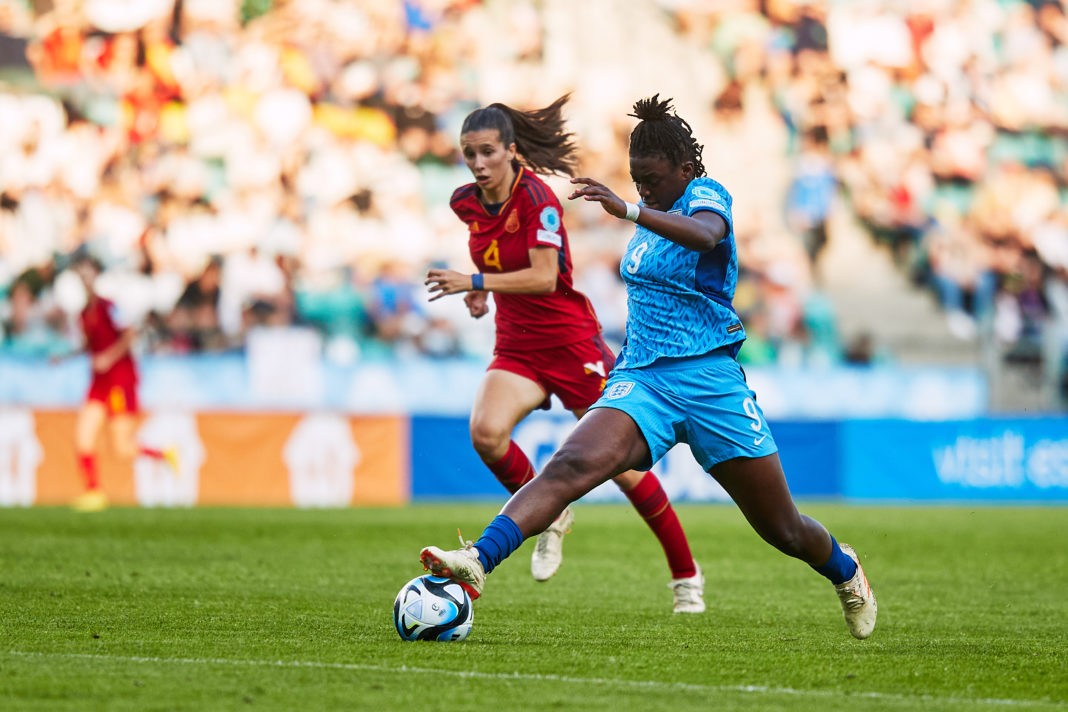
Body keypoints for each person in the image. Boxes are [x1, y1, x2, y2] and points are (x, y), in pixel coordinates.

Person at [420, 95, 877, 639]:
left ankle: (845, 570)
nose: (644, 190)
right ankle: (479, 559)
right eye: (637, 182)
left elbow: (708, 235)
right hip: (644, 381)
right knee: (570, 465)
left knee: (784, 530)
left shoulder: (704, 195)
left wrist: (631, 210)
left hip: (710, 384)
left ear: (684, 169)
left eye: (652, 180)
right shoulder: (649, 216)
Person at [424, 95, 705, 613]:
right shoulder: (466, 201)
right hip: (517, 344)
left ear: (511, 151)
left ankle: (686, 574)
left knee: (625, 471)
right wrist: (482, 291)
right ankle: (550, 514)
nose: (479, 164)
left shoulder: (537, 200)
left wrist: (475, 279)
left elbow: (544, 276)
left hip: (571, 343)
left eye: (488, 152)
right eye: (469, 154)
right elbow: (491, 252)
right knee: (486, 434)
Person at [65, 255, 177, 512]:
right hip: (99, 383)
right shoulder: (84, 313)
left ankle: (165, 454)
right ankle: (94, 492)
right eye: (80, 274)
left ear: (95, 274)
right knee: (83, 436)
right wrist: (67, 355)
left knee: (123, 448)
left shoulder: (110, 306)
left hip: (119, 380)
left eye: (87, 272)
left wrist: (107, 357)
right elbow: (90, 345)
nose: (84, 278)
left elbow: (130, 335)